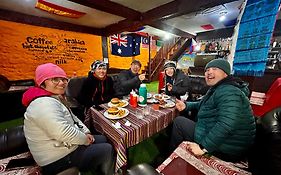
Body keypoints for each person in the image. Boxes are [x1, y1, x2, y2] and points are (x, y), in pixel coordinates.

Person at [22, 63, 114, 175]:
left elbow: (73, 118)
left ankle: (98, 167)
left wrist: (86, 132)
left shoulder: (53, 98)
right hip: (57, 157)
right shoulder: (43, 103)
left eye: (64, 79)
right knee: (108, 148)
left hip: (65, 145)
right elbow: (63, 132)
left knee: (103, 139)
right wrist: (85, 139)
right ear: (42, 83)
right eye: (55, 79)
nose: (61, 83)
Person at [170, 59, 256, 162]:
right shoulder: (220, 88)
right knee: (181, 120)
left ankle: (174, 158)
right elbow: (202, 104)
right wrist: (186, 105)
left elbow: (227, 124)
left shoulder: (228, 91)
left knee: (179, 122)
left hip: (227, 148)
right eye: (207, 70)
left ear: (225, 73)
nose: (209, 72)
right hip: (219, 136)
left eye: (214, 69)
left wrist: (203, 147)